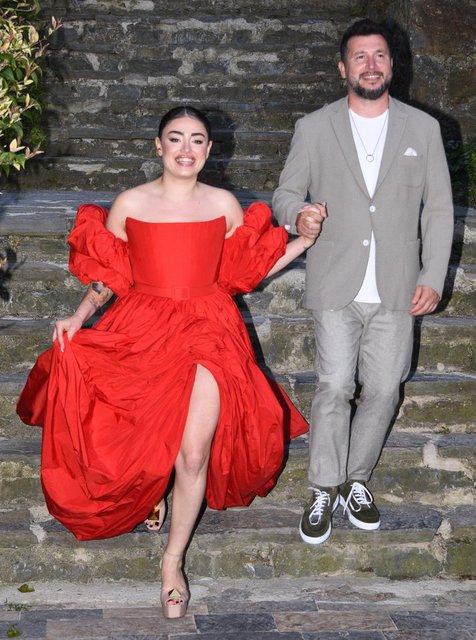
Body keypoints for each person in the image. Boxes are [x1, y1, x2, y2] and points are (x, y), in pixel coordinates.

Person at [17, 106, 318, 618]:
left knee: (194, 454)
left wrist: (304, 241)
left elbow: (249, 268)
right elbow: (110, 275)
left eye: (197, 140)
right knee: (142, 433)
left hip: (209, 328)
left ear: (209, 149)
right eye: (175, 138)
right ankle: (154, 490)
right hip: (143, 326)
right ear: (158, 146)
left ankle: (172, 562)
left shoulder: (223, 204)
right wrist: (79, 316)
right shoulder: (131, 203)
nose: (186, 149)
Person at [272, 18, 454, 545]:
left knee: (384, 388)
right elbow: (286, 194)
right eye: (360, 57)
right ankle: (323, 487)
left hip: (399, 285)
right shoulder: (314, 127)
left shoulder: (423, 129)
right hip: (336, 281)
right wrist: (298, 215)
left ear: (392, 65)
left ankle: (355, 479)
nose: (370, 65)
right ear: (343, 68)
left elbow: (439, 210)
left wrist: (432, 276)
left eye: (379, 56)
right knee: (334, 385)